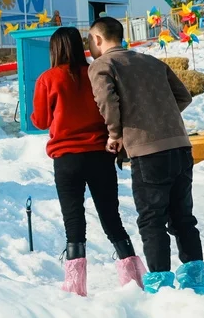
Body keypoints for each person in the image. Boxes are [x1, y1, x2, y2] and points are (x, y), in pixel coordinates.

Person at [88, 16, 204, 295]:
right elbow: (183, 96)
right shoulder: (152, 61)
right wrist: (161, 117)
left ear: (97, 39)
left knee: (152, 220)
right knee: (183, 218)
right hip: (181, 146)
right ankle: (196, 285)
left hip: (148, 152)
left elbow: (107, 101)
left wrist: (115, 134)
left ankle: (161, 288)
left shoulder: (103, 65)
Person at [31, 27, 145, 296]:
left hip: (66, 158)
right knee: (111, 218)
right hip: (101, 154)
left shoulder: (48, 78)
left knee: (73, 222)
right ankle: (133, 281)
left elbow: (41, 121)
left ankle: (75, 288)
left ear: (54, 49)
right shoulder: (97, 73)